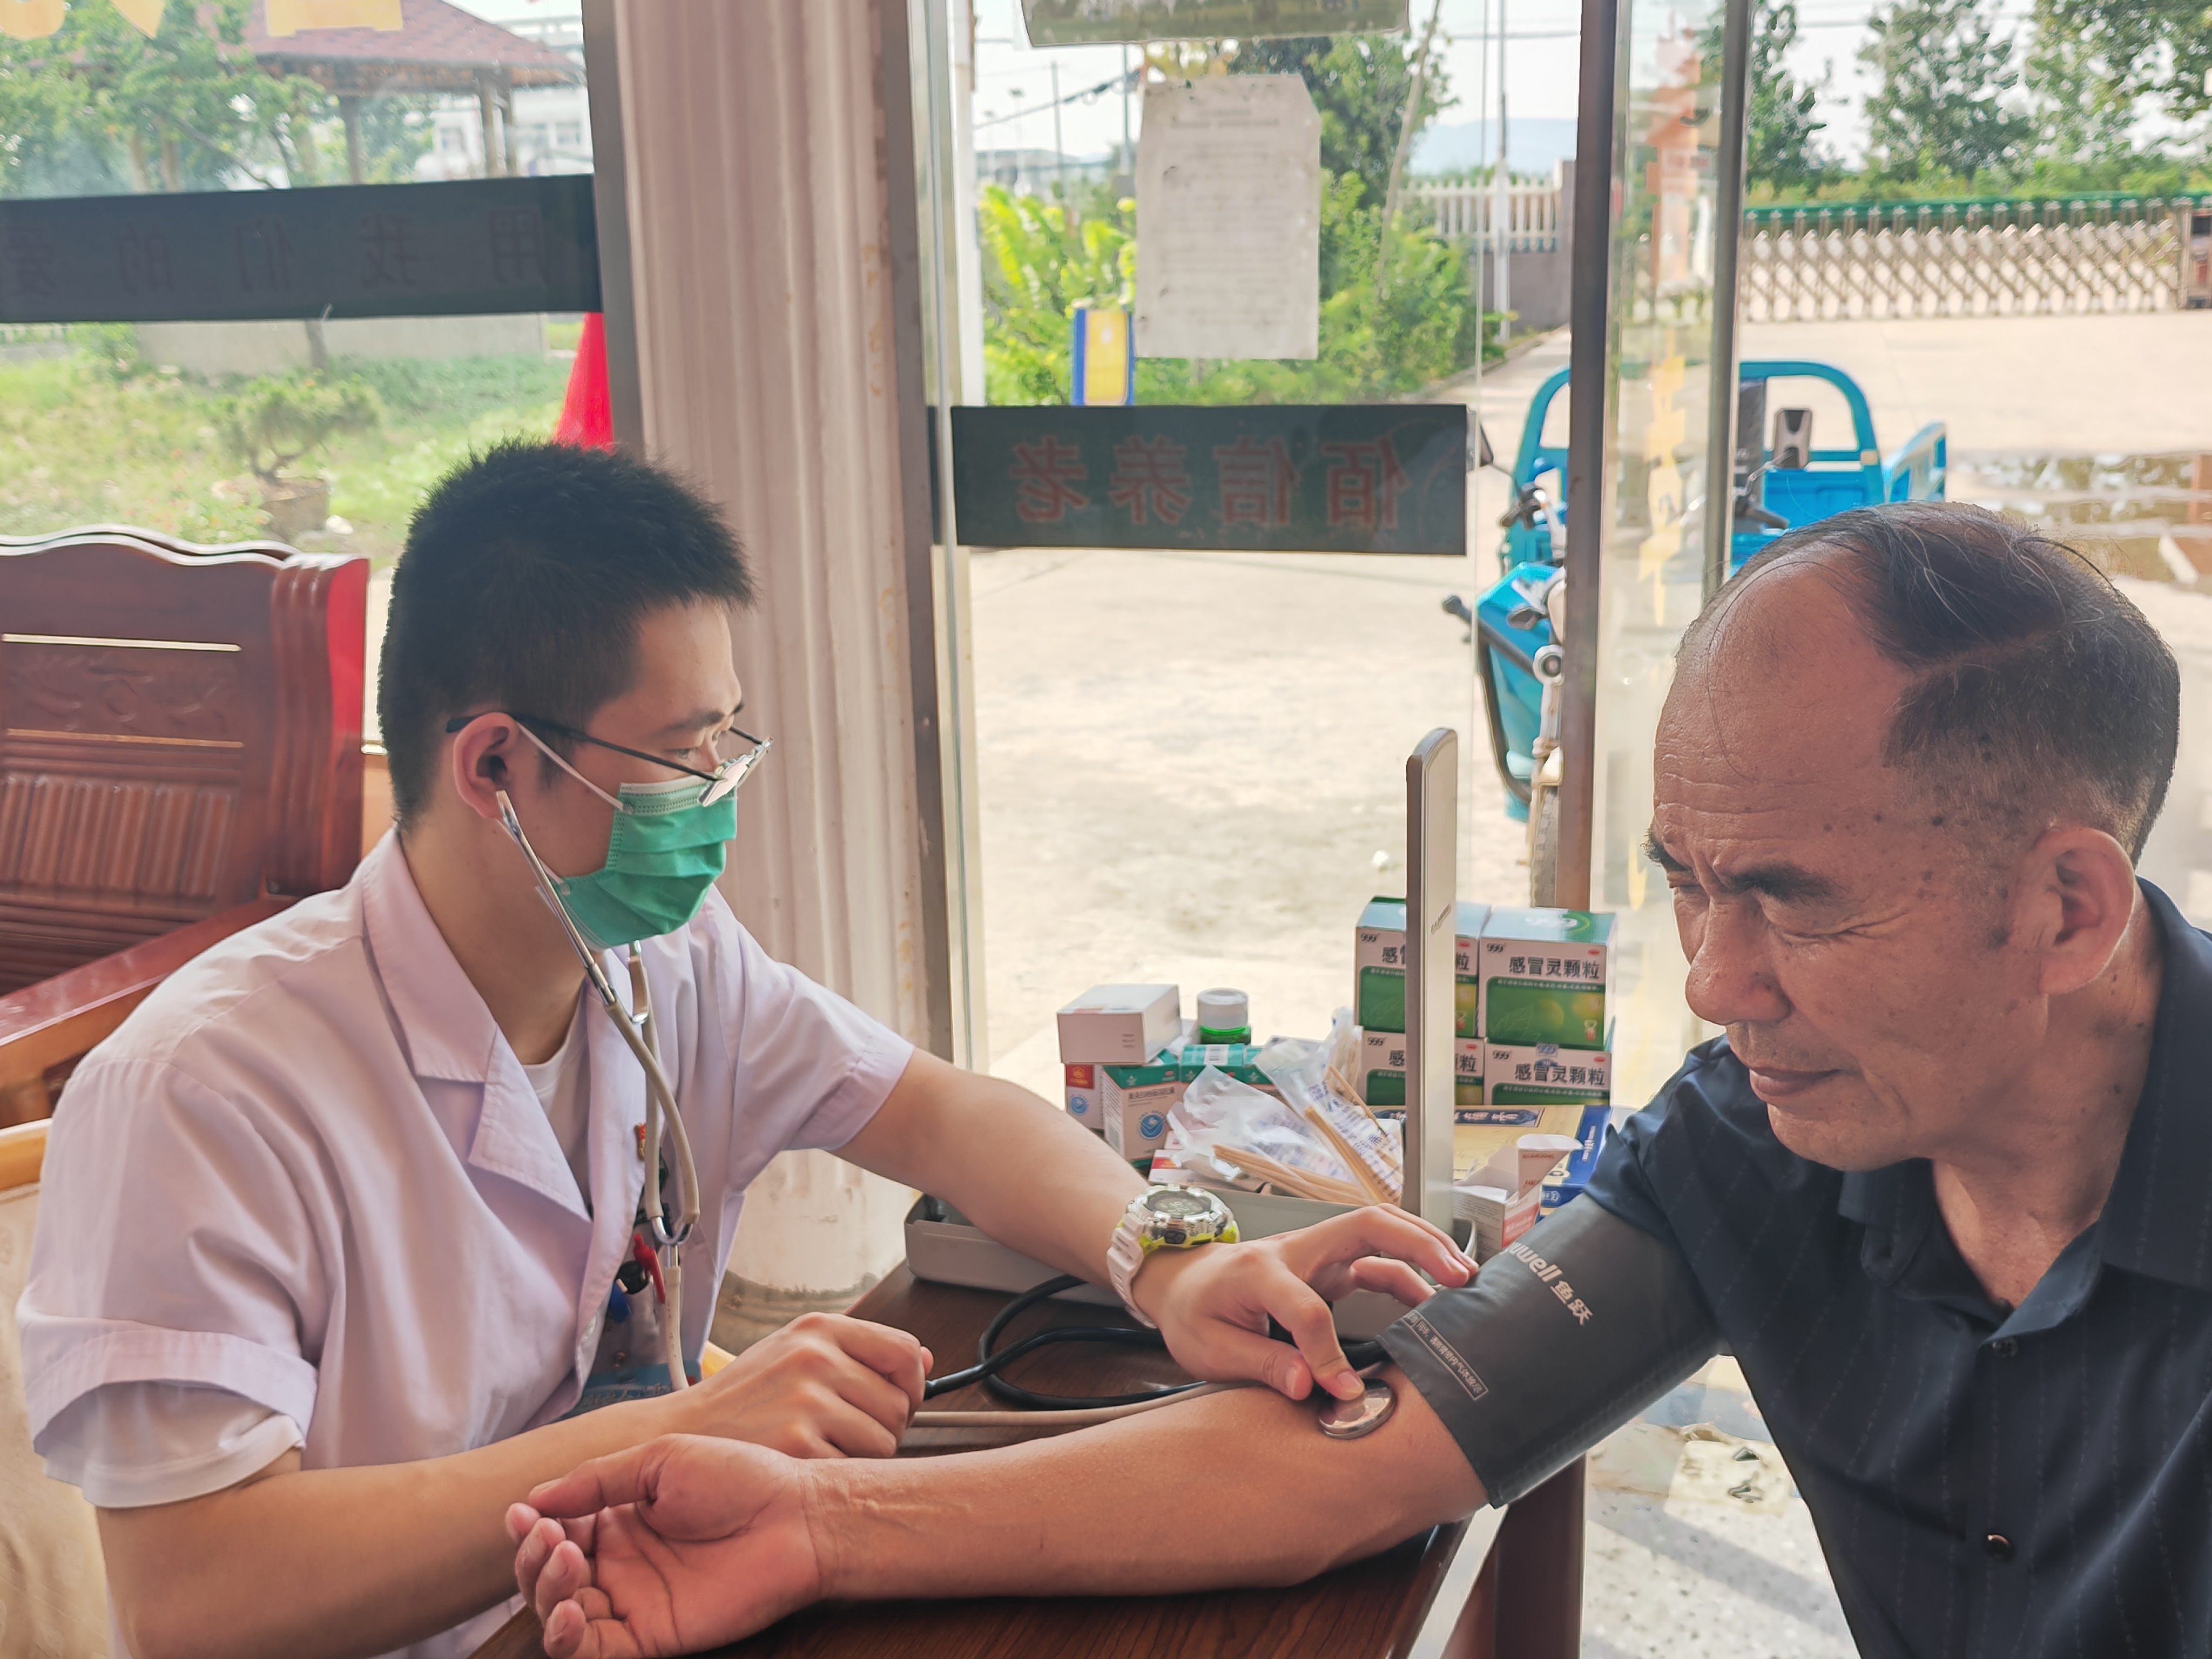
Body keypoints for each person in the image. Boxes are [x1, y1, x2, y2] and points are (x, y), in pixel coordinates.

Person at [509, 501, 2209, 1659]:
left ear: (2066, 908)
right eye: (1689, 883)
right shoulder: (1758, 1142)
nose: (1712, 982)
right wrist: (822, 1525)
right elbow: (1360, 1457)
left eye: (1795, 902)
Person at [14, 441, 1469, 1659]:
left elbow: (939, 1113)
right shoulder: (205, 1093)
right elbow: (197, 1597)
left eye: (728, 739)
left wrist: (1176, 1258)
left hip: (659, 1593)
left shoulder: (664, 956)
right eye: (682, 751)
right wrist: (693, 1421)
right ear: (497, 764)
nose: (718, 789)